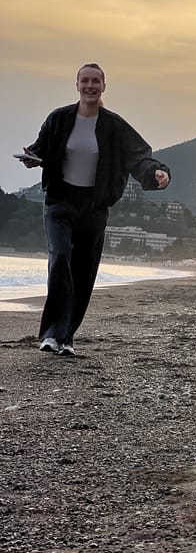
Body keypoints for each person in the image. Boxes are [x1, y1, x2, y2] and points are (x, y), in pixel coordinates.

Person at [18, 62, 171, 356]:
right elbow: (40, 147)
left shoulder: (114, 125)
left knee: (84, 270)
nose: (90, 86)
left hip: (94, 205)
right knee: (60, 257)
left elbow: (139, 155)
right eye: (85, 81)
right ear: (76, 85)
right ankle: (51, 334)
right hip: (60, 201)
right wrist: (32, 157)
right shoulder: (59, 118)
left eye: (95, 81)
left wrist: (156, 173)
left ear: (103, 86)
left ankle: (67, 338)